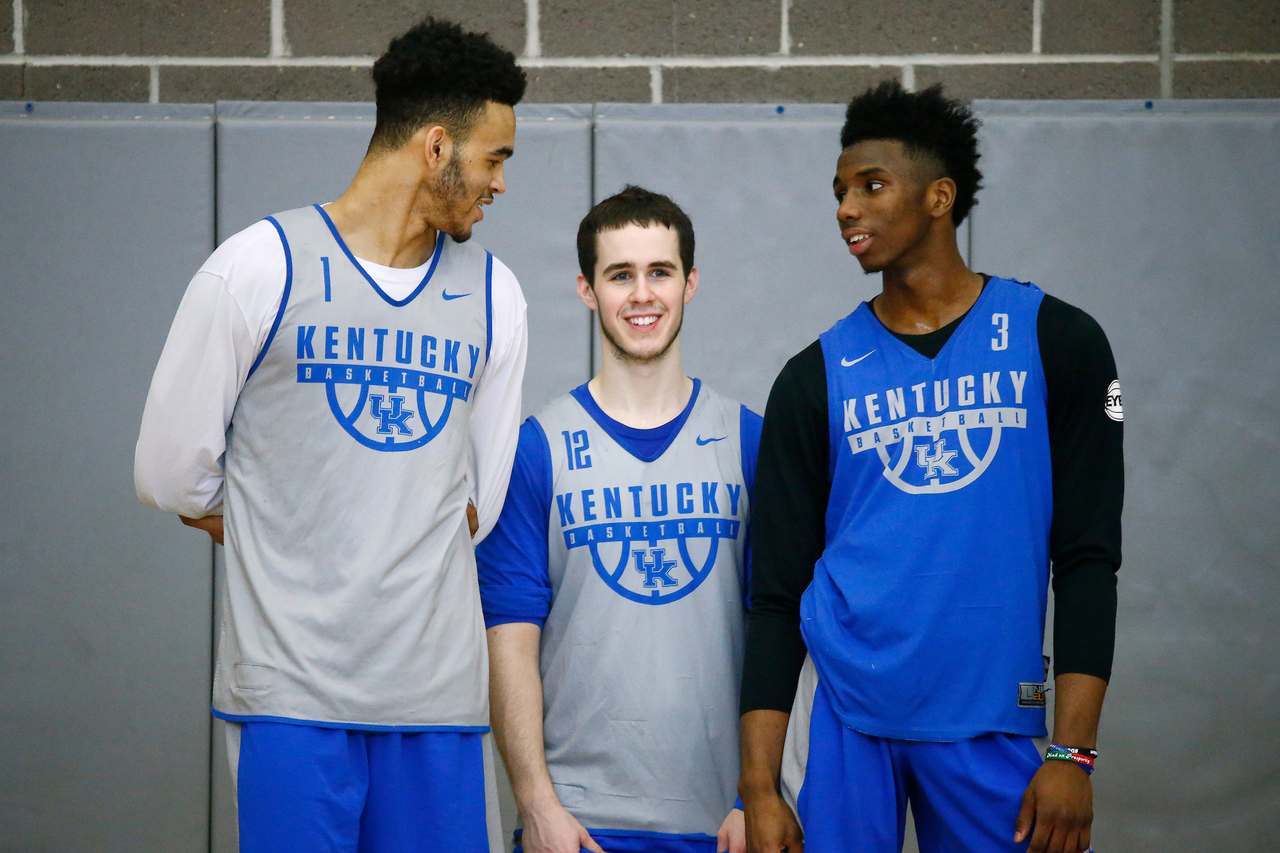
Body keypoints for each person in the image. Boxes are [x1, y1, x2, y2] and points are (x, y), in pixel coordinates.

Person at [134, 18, 528, 853]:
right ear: (434, 148)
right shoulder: (257, 267)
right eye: (494, 158)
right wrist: (290, 533)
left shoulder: (497, 296)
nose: (499, 183)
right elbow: (171, 476)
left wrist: (352, 525)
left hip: (437, 701)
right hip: (292, 698)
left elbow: (474, 507)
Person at [738, 81, 1123, 853]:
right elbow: (776, 595)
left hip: (990, 717)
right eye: (840, 191)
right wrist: (759, 788)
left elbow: (1086, 560)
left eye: (872, 186)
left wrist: (1073, 753)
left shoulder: (1057, 340)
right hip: (847, 718)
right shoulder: (813, 377)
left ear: (940, 196)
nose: (847, 207)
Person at [477, 186, 760, 853]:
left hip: (723, 822)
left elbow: (782, 637)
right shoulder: (534, 451)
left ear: (690, 283)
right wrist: (536, 803)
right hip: (579, 827)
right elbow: (509, 642)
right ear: (586, 289)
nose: (642, 294)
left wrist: (761, 793)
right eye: (619, 275)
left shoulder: (749, 441)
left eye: (660, 272)